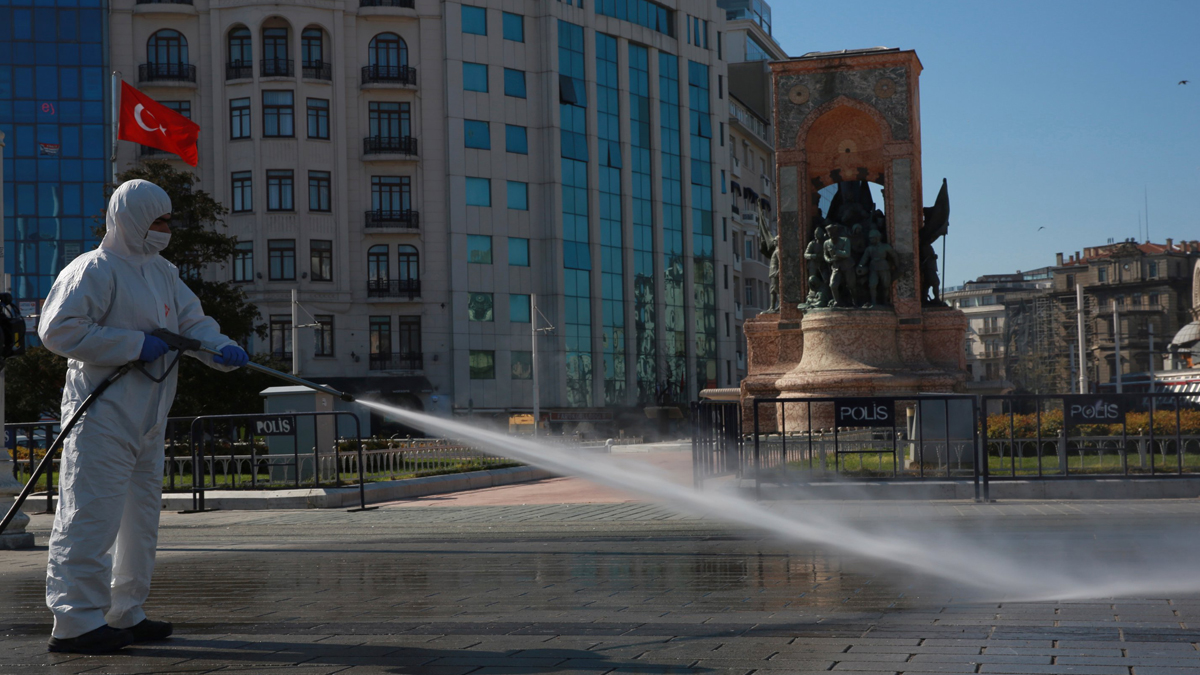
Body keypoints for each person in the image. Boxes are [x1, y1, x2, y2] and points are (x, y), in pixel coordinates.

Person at [38, 180, 250, 654]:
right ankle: (75, 622)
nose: (165, 230)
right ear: (131, 220)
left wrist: (219, 348)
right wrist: (133, 345)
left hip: (149, 416)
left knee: (139, 520)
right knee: (89, 515)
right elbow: (58, 330)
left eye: (167, 221)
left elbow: (192, 324)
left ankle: (124, 610)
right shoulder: (93, 269)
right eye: (157, 222)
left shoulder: (162, 272)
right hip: (103, 414)